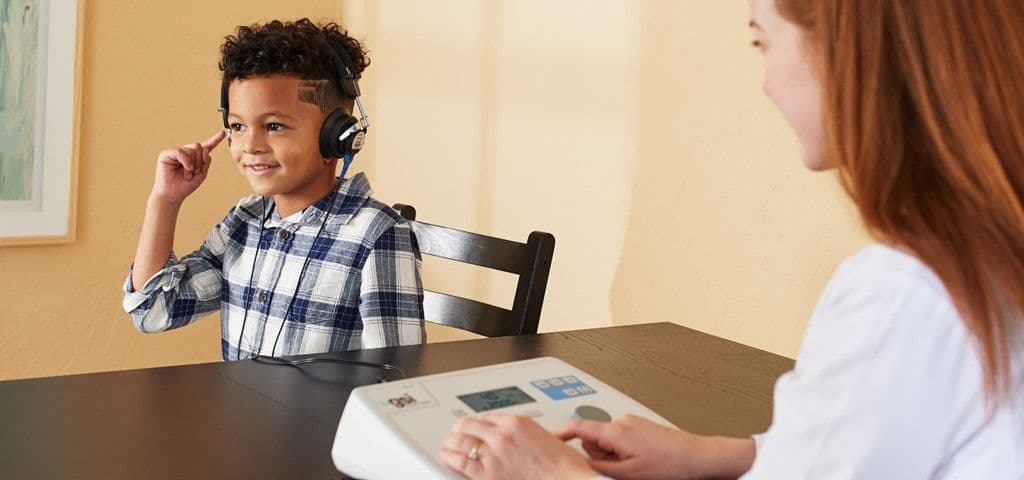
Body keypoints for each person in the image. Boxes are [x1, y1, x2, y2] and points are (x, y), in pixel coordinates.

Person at [441, 0, 1024, 478]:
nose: (767, 85)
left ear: (848, 52)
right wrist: (717, 453)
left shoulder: (905, 292)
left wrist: (555, 474)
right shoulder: (986, 256)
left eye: (762, 43)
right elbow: (867, 447)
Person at [122, 19, 425, 361]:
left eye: (274, 126)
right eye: (237, 126)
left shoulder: (377, 235)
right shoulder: (244, 223)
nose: (250, 145)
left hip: (325, 416)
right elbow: (153, 311)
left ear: (339, 133)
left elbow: (397, 376)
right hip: (245, 413)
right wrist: (165, 200)